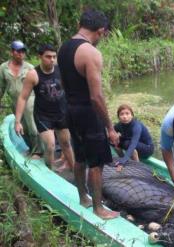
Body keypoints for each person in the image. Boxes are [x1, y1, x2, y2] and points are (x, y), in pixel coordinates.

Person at [57, 10, 119, 219]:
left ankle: (83, 197)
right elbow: (96, 96)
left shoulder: (64, 48)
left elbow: (65, 84)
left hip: (71, 108)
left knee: (80, 155)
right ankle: (98, 208)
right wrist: (110, 127)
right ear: (101, 31)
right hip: (87, 113)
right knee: (96, 163)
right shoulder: (90, 52)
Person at [15, 44, 74, 172]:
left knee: (66, 143)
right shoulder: (33, 74)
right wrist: (18, 121)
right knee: (50, 145)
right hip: (43, 115)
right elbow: (23, 98)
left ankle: (74, 169)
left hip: (62, 113)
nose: (52, 60)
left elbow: (70, 89)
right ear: (40, 57)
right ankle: (51, 170)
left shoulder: (61, 70)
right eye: (48, 57)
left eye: (54, 57)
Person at [0, 40, 42, 157]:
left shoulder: (29, 67)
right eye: (18, 51)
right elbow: (1, 86)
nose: (21, 54)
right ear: (12, 52)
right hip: (15, 101)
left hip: (29, 99)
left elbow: (38, 85)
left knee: (32, 125)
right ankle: (31, 147)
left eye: (23, 51)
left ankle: (38, 151)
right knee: (21, 127)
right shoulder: (3, 68)